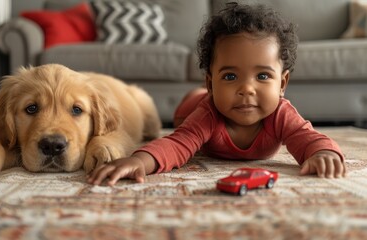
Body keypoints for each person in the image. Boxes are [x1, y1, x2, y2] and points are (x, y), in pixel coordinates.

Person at [88, 2, 346, 186]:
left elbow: (306, 136)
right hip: (190, 107)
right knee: (192, 105)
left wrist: (324, 153)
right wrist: (140, 161)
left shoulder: (280, 112)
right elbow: (177, 144)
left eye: (263, 76)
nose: (247, 88)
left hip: (211, 96)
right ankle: (199, 92)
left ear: (282, 83)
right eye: (230, 76)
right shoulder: (208, 114)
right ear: (211, 83)